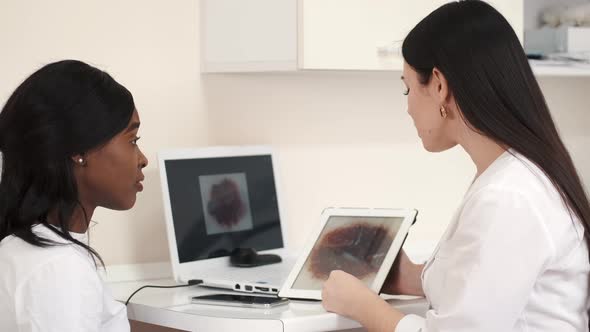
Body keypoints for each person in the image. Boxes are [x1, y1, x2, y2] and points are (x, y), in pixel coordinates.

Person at [321, 1, 590, 331]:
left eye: (407, 88)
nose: (407, 108)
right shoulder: (514, 176)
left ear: (438, 85)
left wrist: (361, 305)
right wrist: (414, 279)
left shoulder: (509, 196)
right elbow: (492, 285)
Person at [0, 60, 148, 331]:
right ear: (79, 152)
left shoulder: (20, 249)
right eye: (133, 140)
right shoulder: (59, 269)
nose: (143, 159)